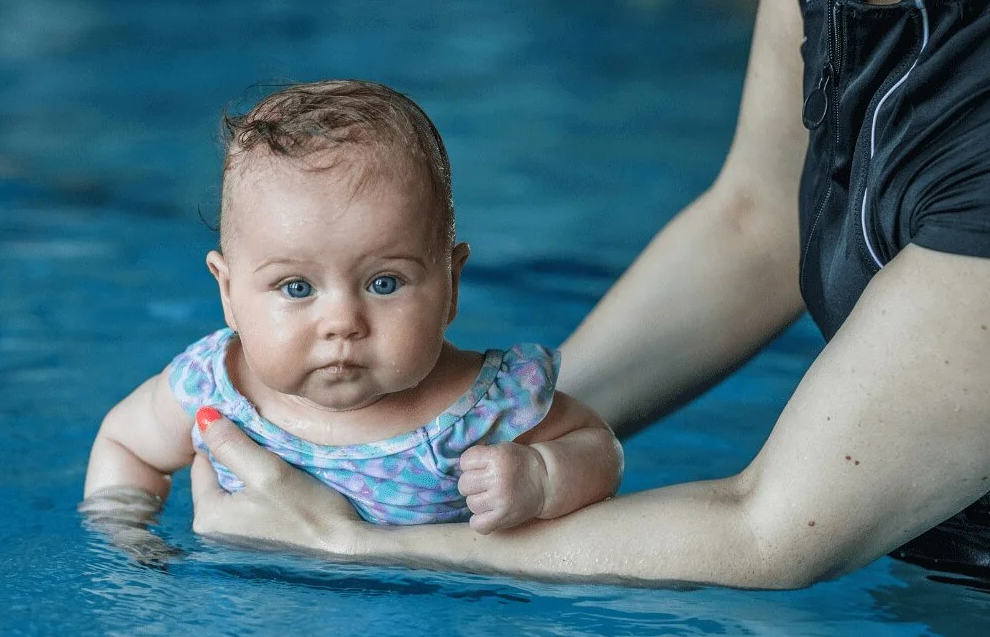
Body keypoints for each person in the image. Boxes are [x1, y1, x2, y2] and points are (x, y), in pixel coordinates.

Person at [186, 0, 990, 591]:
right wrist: (495, 428)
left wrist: (358, 545)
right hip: (923, 554)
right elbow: (760, 221)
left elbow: (770, 531)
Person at [82, 80, 623, 556]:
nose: (342, 321)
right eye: (296, 287)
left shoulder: (486, 409)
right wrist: (128, 536)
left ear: (451, 284)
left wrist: (543, 478)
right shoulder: (211, 389)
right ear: (228, 293)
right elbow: (125, 443)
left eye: (384, 283)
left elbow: (599, 447)